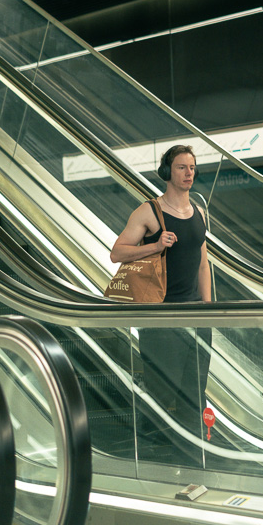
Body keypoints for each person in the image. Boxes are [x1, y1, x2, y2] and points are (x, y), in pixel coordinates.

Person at [110, 145, 212, 461]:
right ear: (167, 172)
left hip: (196, 317)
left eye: (192, 167)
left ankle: (193, 459)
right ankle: (154, 459)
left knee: (194, 394)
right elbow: (117, 253)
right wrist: (154, 246)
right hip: (161, 319)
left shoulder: (199, 212)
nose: (189, 173)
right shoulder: (149, 212)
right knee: (161, 394)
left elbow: (203, 262)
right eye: (181, 167)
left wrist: (208, 308)